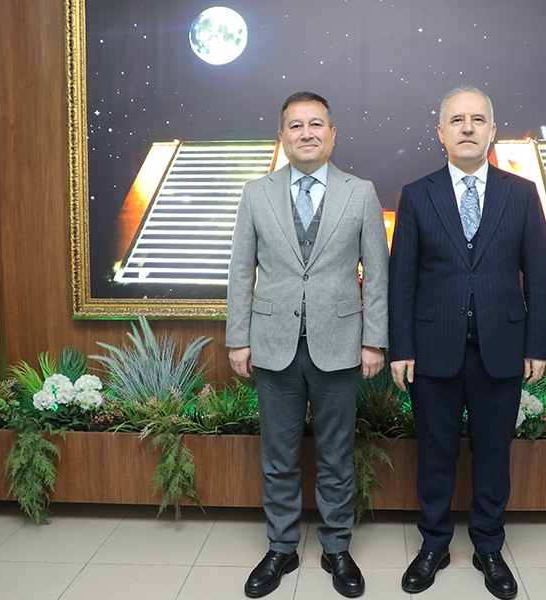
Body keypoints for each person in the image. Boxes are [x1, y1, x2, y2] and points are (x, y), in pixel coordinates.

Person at [388, 85, 546, 599]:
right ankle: (434, 544)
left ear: (492, 131)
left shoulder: (521, 193)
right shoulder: (417, 194)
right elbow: (401, 279)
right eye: (456, 120)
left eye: (477, 119)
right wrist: (401, 348)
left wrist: (537, 345)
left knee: (493, 455)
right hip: (432, 349)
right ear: (441, 133)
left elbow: (539, 277)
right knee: (435, 454)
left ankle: (488, 546)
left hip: (501, 349)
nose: (467, 127)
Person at [226, 91, 389, 599]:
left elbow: (376, 274)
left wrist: (374, 341)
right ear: (282, 137)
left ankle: (337, 547)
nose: (306, 133)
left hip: (339, 344)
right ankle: (281, 547)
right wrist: (237, 339)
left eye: (316, 124)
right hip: (272, 342)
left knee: (337, 455)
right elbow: (240, 271)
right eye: (295, 126)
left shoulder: (360, 192)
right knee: (278, 455)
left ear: (332, 134)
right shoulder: (256, 193)